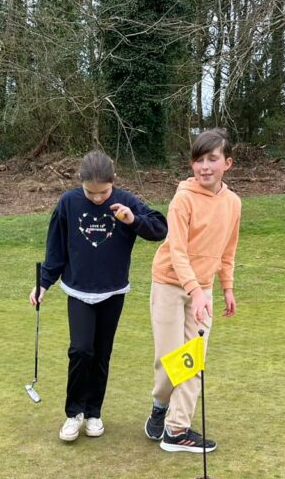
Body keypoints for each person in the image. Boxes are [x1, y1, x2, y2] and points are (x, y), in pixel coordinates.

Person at [31, 150, 168, 442]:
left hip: (113, 291)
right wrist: (43, 283)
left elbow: (159, 228)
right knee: (81, 350)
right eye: (90, 192)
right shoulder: (68, 202)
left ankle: (94, 413)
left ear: (113, 181)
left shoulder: (126, 201)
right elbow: (56, 247)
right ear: (80, 182)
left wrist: (132, 219)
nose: (97, 198)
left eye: (103, 192)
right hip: (79, 291)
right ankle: (74, 414)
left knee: (101, 353)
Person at [145, 129, 241, 453]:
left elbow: (228, 250)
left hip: (204, 290)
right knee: (169, 361)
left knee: (192, 359)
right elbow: (177, 251)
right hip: (169, 284)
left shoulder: (233, 204)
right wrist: (194, 290)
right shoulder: (183, 199)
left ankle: (176, 429)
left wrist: (226, 287)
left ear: (227, 163)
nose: (204, 167)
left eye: (212, 159)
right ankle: (160, 406)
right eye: (199, 160)